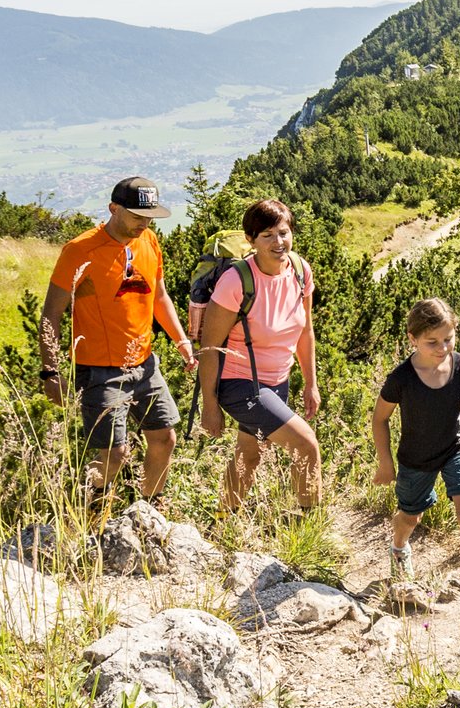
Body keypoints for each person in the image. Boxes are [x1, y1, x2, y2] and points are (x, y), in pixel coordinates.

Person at [38, 176, 197, 510]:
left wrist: (180, 339)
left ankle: (150, 511)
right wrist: (50, 372)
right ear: (113, 209)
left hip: (145, 364)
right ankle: (90, 516)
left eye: (149, 216)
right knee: (113, 454)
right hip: (99, 370)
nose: (144, 223)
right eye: (137, 216)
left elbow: (160, 296)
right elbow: (51, 312)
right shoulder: (80, 250)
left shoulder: (149, 242)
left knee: (164, 437)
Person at [196, 198, 322, 512]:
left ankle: (223, 523)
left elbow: (305, 331)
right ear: (251, 240)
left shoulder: (299, 270)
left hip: (278, 381)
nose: (278, 242)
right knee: (306, 447)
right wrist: (209, 405)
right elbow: (210, 346)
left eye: (283, 233)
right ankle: (310, 528)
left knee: (249, 456)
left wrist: (310, 383)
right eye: (267, 236)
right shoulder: (236, 281)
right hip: (240, 384)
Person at [370, 297, 460, 597]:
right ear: (413, 339)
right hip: (416, 458)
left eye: (448, 339)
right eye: (432, 342)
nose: (442, 348)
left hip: (456, 448)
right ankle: (399, 547)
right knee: (411, 516)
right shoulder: (401, 379)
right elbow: (380, 418)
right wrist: (386, 463)